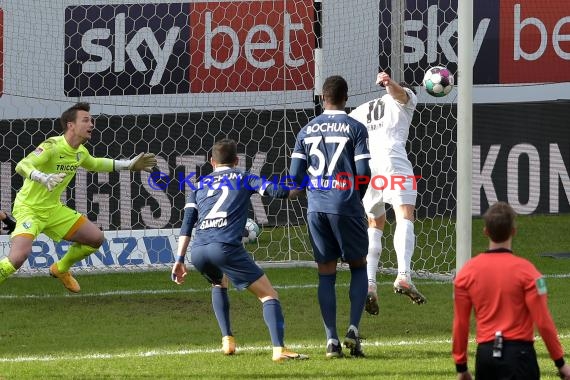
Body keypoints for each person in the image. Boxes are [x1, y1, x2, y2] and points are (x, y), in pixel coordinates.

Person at [171, 139, 308, 362]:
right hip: (224, 247)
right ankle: (279, 350)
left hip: (198, 251)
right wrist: (303, 188)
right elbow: (279, 192)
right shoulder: (244, 177)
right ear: (236, 161)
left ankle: (228, 342)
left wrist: (179, 259)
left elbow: (187, 223)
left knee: (219, 282)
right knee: (269, 295)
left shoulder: (198, 185)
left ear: (211, 161)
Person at [0, 102, 156, 292]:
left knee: (96, 238)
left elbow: (96, 163)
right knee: (18, 257)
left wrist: (129, 165)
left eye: (92, 121)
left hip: (53, 210)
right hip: (29, 210)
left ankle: (60, 268)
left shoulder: (80, 153)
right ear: (70, 125)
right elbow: (22, 165)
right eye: (86, 120)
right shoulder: (52, 146)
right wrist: (41, 177)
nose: (91, 124)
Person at [289, 75, 371, 358]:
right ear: (346, 99)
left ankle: (331, 342)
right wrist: (354, 199)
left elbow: (294, 178)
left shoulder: (305, 130)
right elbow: (363, 174)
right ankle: (353, 329)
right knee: (359, 266)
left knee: (326, 272)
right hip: (346, 204)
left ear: (323, 98)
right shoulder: (356, 128)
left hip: (317, 208)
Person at [452, 202, 570, 380]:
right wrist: (560, 363)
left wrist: (461, 366)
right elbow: (543, 321)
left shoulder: (466, 274)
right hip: (520, 357)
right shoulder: (530, 273)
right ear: (513, 231)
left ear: (485, 232)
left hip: (485, 357)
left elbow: (461, 323)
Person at [349, 71, 426, 315]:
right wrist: (390, 83)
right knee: (404, 214)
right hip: (393, 158)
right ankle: (404, 274)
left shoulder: (360, 110)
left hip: (366, 164)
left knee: (374, 222)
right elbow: (400, 95)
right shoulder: (404, 98)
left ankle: (370, 283)